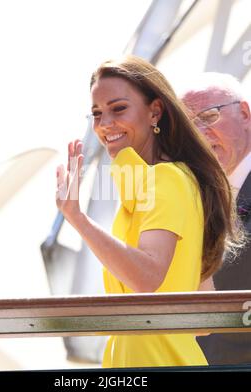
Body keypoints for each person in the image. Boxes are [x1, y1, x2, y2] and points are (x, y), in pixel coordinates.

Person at [55, 55, 242, 368]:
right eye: (97, 113)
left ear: (155, 111)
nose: (105, 124)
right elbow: (206, 314)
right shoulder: (159, 181)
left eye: (119, 108)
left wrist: (77, 218)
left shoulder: (165, 179)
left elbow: (146, 278)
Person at [181, 72, 251, 365]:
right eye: (189, 125)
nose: (199, 132)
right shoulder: (189, 191)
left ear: (245, 113)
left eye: (208, 117)